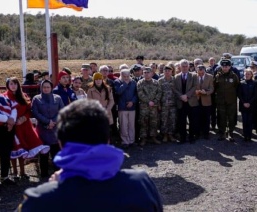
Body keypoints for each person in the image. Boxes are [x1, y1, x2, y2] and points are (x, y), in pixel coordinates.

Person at [16, 99, 163, 211]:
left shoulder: (38, 200)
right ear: (108, 140)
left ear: (60, 143)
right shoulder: (141, 184)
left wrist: (53, 188)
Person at [4, 78, 50, 180]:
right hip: (11, 127)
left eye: (15, 84)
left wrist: (24, 118)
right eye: (11, 84)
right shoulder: (5, 97)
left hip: (24, 126)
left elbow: (29, 110)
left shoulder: (23, 95)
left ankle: (22, 172)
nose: (13, 86)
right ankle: (14, 172)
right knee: (14, 148)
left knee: (23, 148)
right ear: (7, 85)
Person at [32, 80, 64, 178]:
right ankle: (44, 174)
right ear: (41, 88)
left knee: (56, 151)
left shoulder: (57, 98)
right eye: (44, 87)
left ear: (51, 88)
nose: (46, 89)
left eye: (48, 87)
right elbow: (36, 112)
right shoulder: (36, 99)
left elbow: (61, 111)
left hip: (55, 129)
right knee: (44, 153)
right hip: (42, 129)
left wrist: (53, 122)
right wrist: (47, 122)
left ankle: (57, 173)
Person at [0, 78, 17, 200]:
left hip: (6, 129)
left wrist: (11, 121)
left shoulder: (3, 97)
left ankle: (5, 176)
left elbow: (13, 108)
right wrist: (7, 120)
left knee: (6, 152)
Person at [174, 59, 199, 143]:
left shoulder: (194, 75)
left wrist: (186, 95)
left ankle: (191, 137)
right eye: (183, 66)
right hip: (181, 102)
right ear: (180, 67)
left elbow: (195, 86)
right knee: (182, 121)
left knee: (193, 121)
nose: (184, 68)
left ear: (188, 66)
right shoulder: (176, 77)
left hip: (191, 102)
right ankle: (183, 138)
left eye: (186, 66)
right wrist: (181, 96)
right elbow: (175, 89)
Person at [214, 59, 239, 142]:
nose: (225, 68)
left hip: (231, 101)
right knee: (222, 118)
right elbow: (215, 87)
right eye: (223, 66)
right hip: (221, 101)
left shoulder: (234, 76)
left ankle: (231, 133)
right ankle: (222, 133)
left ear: (230, 67)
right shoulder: (218, 76)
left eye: (226, 66)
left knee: (231, 118)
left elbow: (237, 87)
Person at [137, 67, 162, 146]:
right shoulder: (140, 83)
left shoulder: (156, 82)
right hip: (144, 107)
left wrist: (154, 101)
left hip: (154, 106)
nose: (146, 74)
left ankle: (153, 137)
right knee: (143, 122)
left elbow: (159, 93)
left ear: (152, 73)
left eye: (148, 72)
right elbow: (140, 94)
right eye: (144, 72)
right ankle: (143, 138)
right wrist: (148, 101)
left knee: (154, 122)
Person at [114, 69, 137, 148]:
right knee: (123, 125)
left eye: (128, 76)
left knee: (131, 125)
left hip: (132, 107)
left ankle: (131, 141)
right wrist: (125, 84)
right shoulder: (117, 82)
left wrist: (132, 102)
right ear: (121, 75)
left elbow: (136, 94)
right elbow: (118, 92)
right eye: (124, 76)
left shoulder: (133, 82)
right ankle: (125, 141)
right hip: (122, 107)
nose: (126, 78)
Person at [158, 65, 177, 143]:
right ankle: (165, 135)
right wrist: (159, 103)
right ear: (163, 72)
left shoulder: (175, 80)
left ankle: (171, 135)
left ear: (171, 72)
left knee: (172, 120)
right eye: (165, 71)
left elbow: (177, 91)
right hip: (164, 104)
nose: (167, 72)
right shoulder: (160, 81)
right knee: (164, 120)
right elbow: (158, 93)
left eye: (169, 71)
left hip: (173, 104)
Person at [238, 69, 257, 142]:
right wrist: (244, 103)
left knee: (250, 121)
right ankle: (245, 135)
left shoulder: (254, 83)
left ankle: (249, 135)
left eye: (248, 74)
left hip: (251, 105)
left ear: (251, 75)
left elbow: (255, 95)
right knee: (244, 120)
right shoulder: (241, 83)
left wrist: (249, 103)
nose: (247, 75)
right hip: (243, 105)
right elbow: (239, 94)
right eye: (246, 74)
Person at [195, 65, 214, 139]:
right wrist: (195, 92)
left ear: (205, 71)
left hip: (206, 100)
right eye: (199, 73)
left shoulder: (210, 77)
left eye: (202, 73)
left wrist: (205, 92)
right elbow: (191, 87)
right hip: (197, 100)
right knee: (197, 117)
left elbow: (212, 88)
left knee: (206, 118)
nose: (200, 74)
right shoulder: (194, 76)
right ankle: (198, 132)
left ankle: (206, 133)